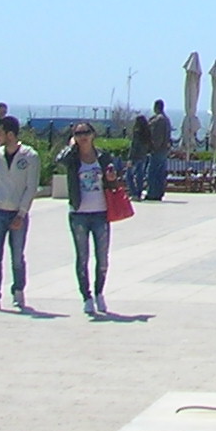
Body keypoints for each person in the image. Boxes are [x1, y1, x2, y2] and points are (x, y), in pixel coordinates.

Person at [59, 123, 121, 316]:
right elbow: (59, 159)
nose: (83, 136)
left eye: (86, 133)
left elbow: (113, 181)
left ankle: (99, 292)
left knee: (102, 258)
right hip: (79, 213)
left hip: (101, 213)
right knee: (82, 257)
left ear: (93, 135)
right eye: (78, 134)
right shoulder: (72, 158)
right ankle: (86, 297)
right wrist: (71, 147)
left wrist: (111, 179)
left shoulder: (102, 157)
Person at [0, 116, 39, 310]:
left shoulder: (29, 156)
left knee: (17, 256)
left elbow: (31, 187)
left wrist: (21, 213)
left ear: (11, 134)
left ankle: (18, 291)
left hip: (17, 213)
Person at [145, 100, 173, 201]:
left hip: (158, 150)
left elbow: (158, 137)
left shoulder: (159, 120)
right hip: (164, 150)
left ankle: (153, 193)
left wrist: (153, 147)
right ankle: (159, 192)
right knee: (160, 173)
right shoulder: (167, 119)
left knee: (153, 172)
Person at [126, 115, 152, 200]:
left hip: (135, 157)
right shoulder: (147, 134)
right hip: (143, 157)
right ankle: (139, 193)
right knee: (140, 176)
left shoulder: (137, 133)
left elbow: (134, 146)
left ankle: (134, 193)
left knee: (129, 176)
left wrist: (130, 158)